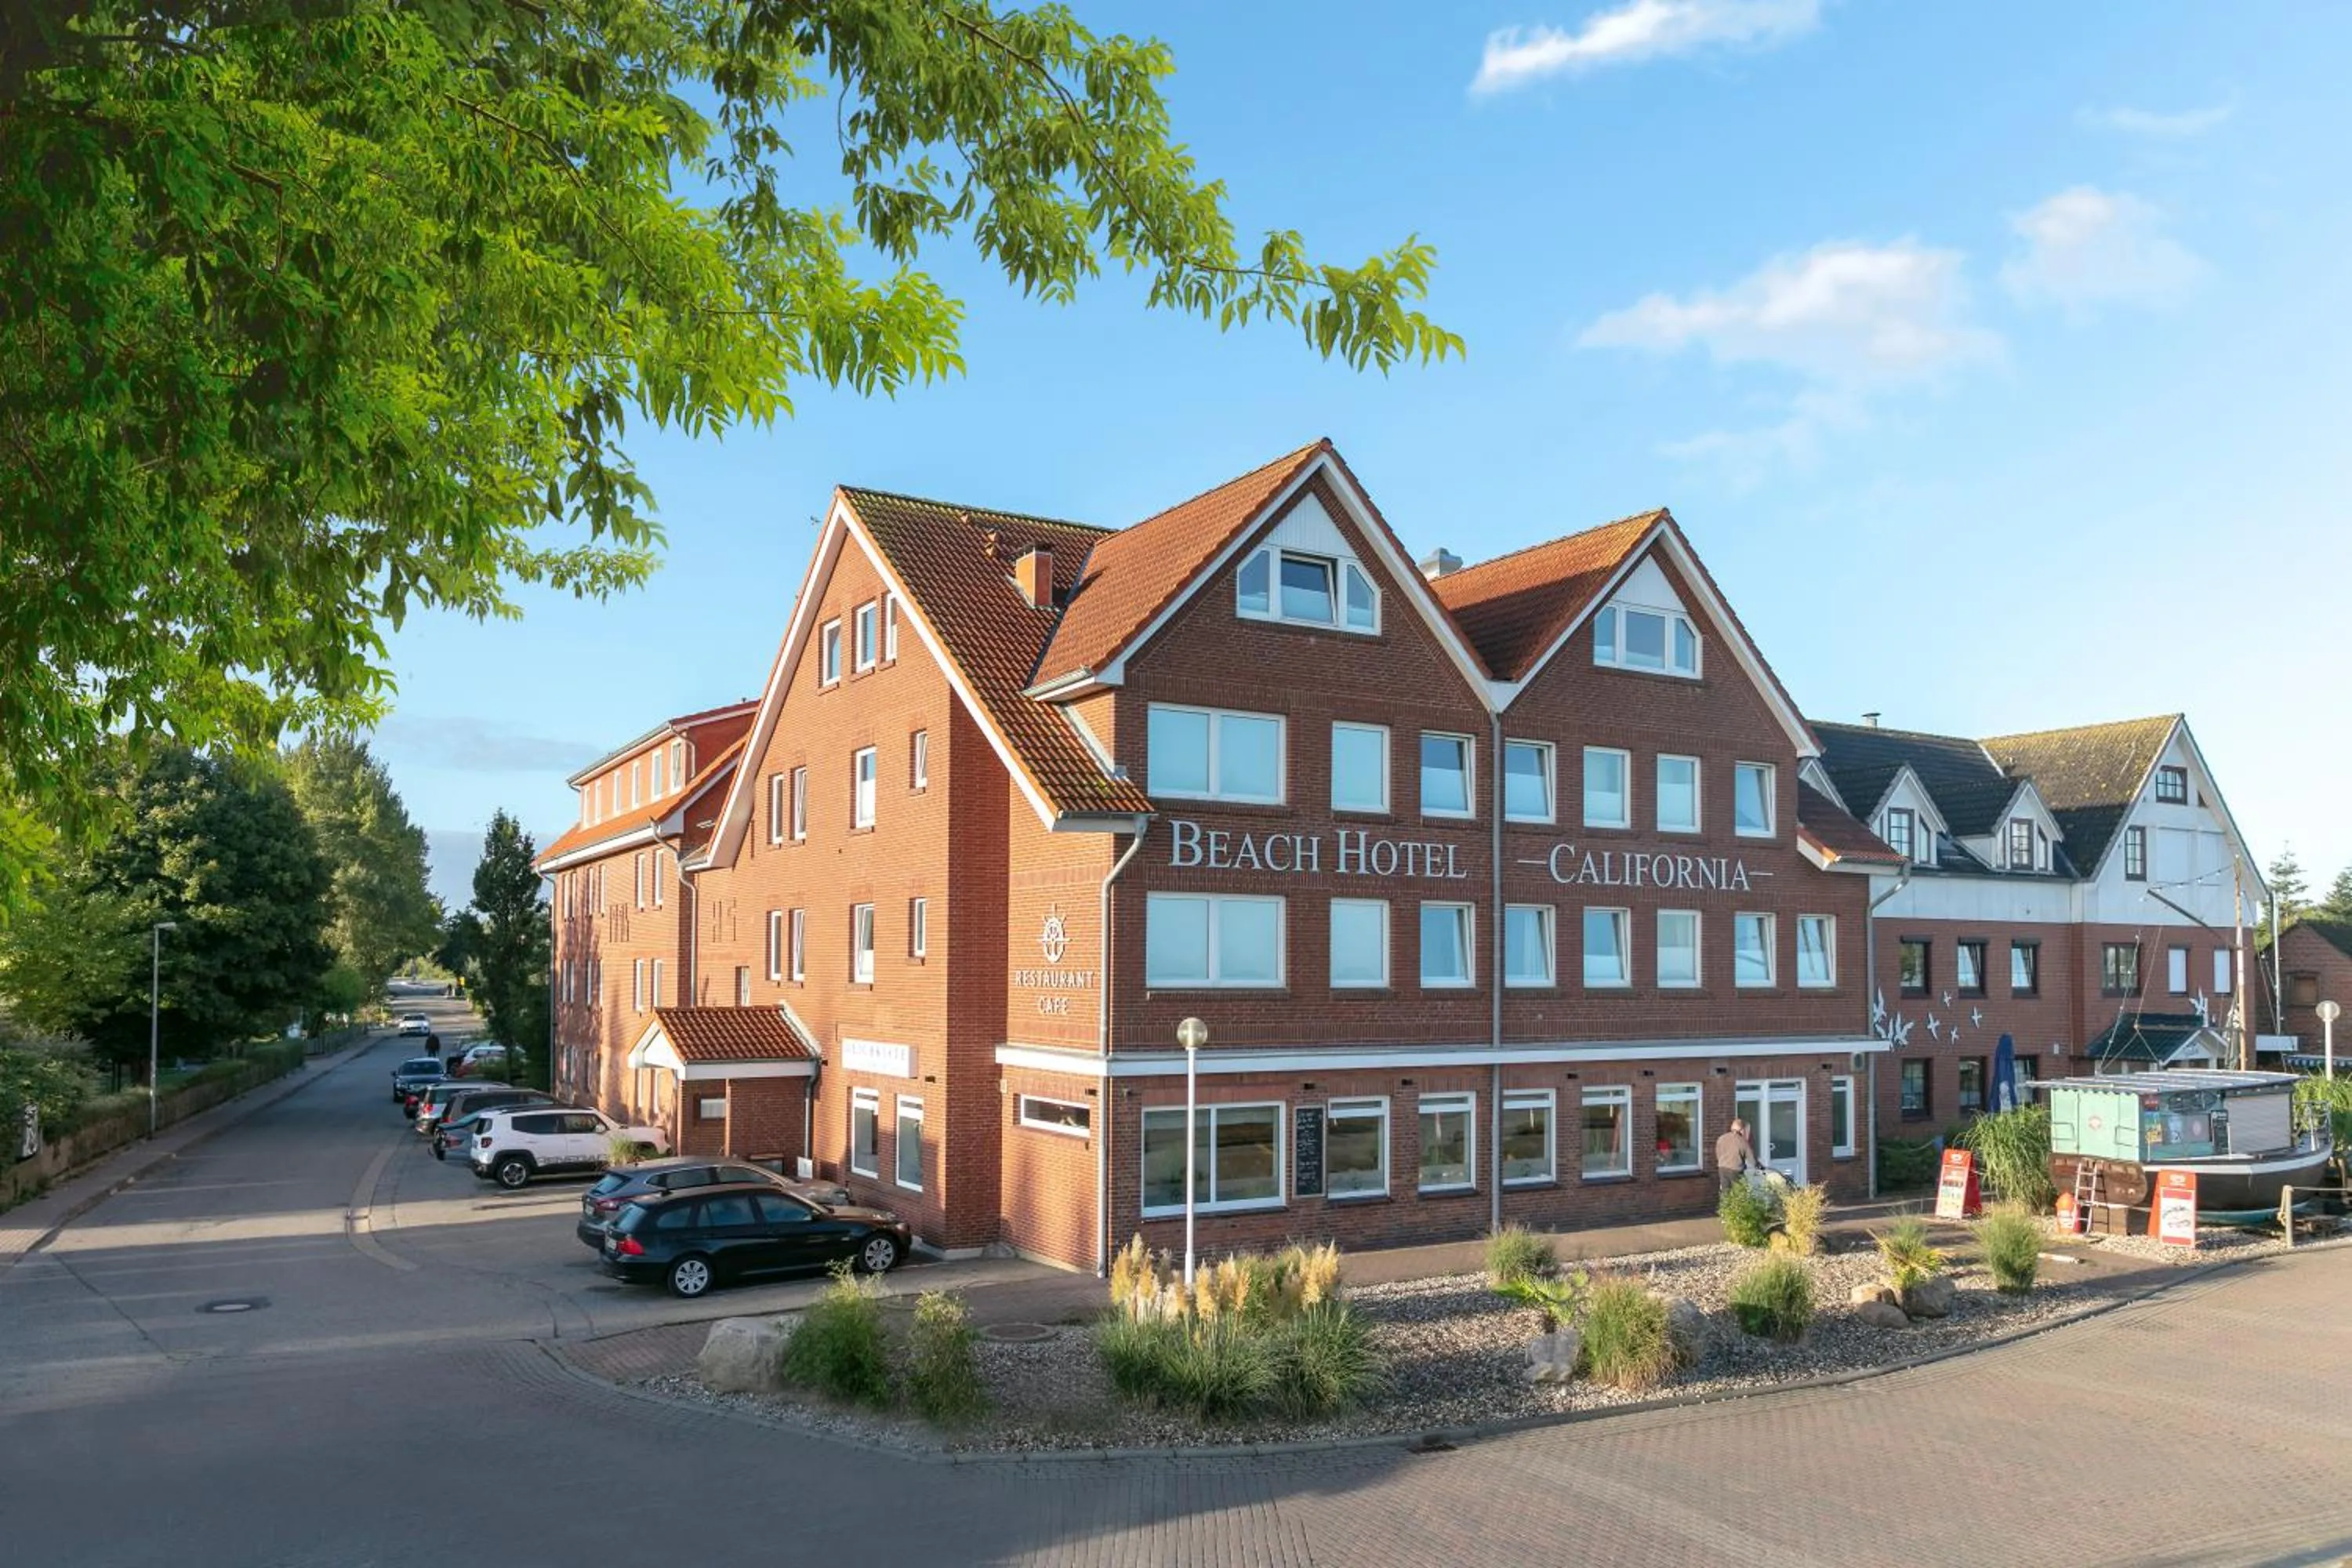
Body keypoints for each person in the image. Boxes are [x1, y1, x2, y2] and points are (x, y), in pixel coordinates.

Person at [1715, 1117, 1755, 1192]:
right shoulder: (1742, 1141)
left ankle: (1725, 1203)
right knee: (1739, 1192)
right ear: (1742, 1130)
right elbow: (1752, 1160)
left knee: (1725, 1192)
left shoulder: (1721, 1138)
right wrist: (1758, 1166)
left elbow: (1718, 1154)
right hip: (1736, 1170)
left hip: (1722, 1168)